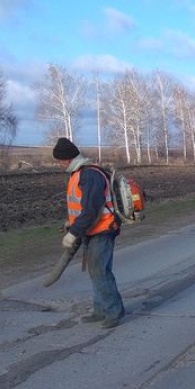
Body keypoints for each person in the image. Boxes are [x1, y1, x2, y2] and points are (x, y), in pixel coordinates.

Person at [52, 137, 126, 328]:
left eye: (59, 161)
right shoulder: (79, 173)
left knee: (99, 271)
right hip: (93, 229)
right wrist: (73, 222)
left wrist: (73, 233)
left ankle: (114, 312)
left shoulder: (89, 175)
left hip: (103, 230)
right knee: (96, 272)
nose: (59, 165)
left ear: (67, 159)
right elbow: (84, 207)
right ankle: (100, 310)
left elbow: (91, 209)